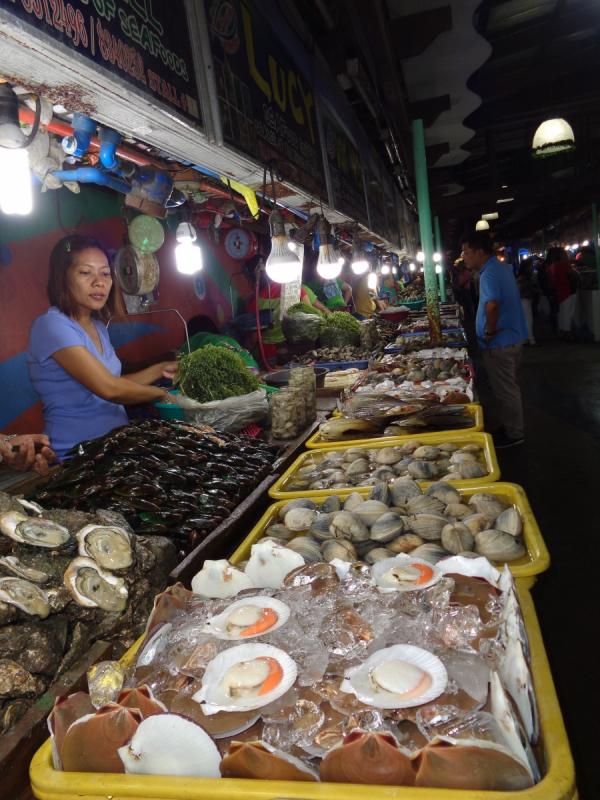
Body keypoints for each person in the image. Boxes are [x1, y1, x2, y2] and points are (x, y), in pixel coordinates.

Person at [27, 235, 177, 461]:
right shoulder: (51, 325)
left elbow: (116, 382)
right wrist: (165, 396)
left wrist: (160, 369)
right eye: (85, 273)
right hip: (76, 455)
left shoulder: (98, 327)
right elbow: (110, 389)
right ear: (63, 278)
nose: (99, 282)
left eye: (106, 273)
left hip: (115, 445)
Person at [461, 231, 528, 448]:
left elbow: (492, 305)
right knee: (506, 387)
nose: (464, 256)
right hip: (511, 339)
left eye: (467, 252)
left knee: (506, 389)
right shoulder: (499, 268)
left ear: (480, 252)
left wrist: (489, 332)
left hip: (500, 343)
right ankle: (509, 426)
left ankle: (515, 433)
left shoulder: (489, 274)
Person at [546, 248, 577, 339]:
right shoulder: (564, 264)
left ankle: (562, 331)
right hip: (567, 290)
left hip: (559, 291)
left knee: (562, 313)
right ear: (562, 255)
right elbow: (573, 274)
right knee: (568, 313)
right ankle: (567, 332)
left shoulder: (552, 266)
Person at [517, 258, 538, 346]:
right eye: (530, 266)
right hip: (524, 299)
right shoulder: (524, 277)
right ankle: (531, 340)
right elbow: (523, 289)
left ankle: (525, 339)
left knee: (524, 320)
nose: (532, 267)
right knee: (529, 320)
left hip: (523, 299)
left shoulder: (521, 277)